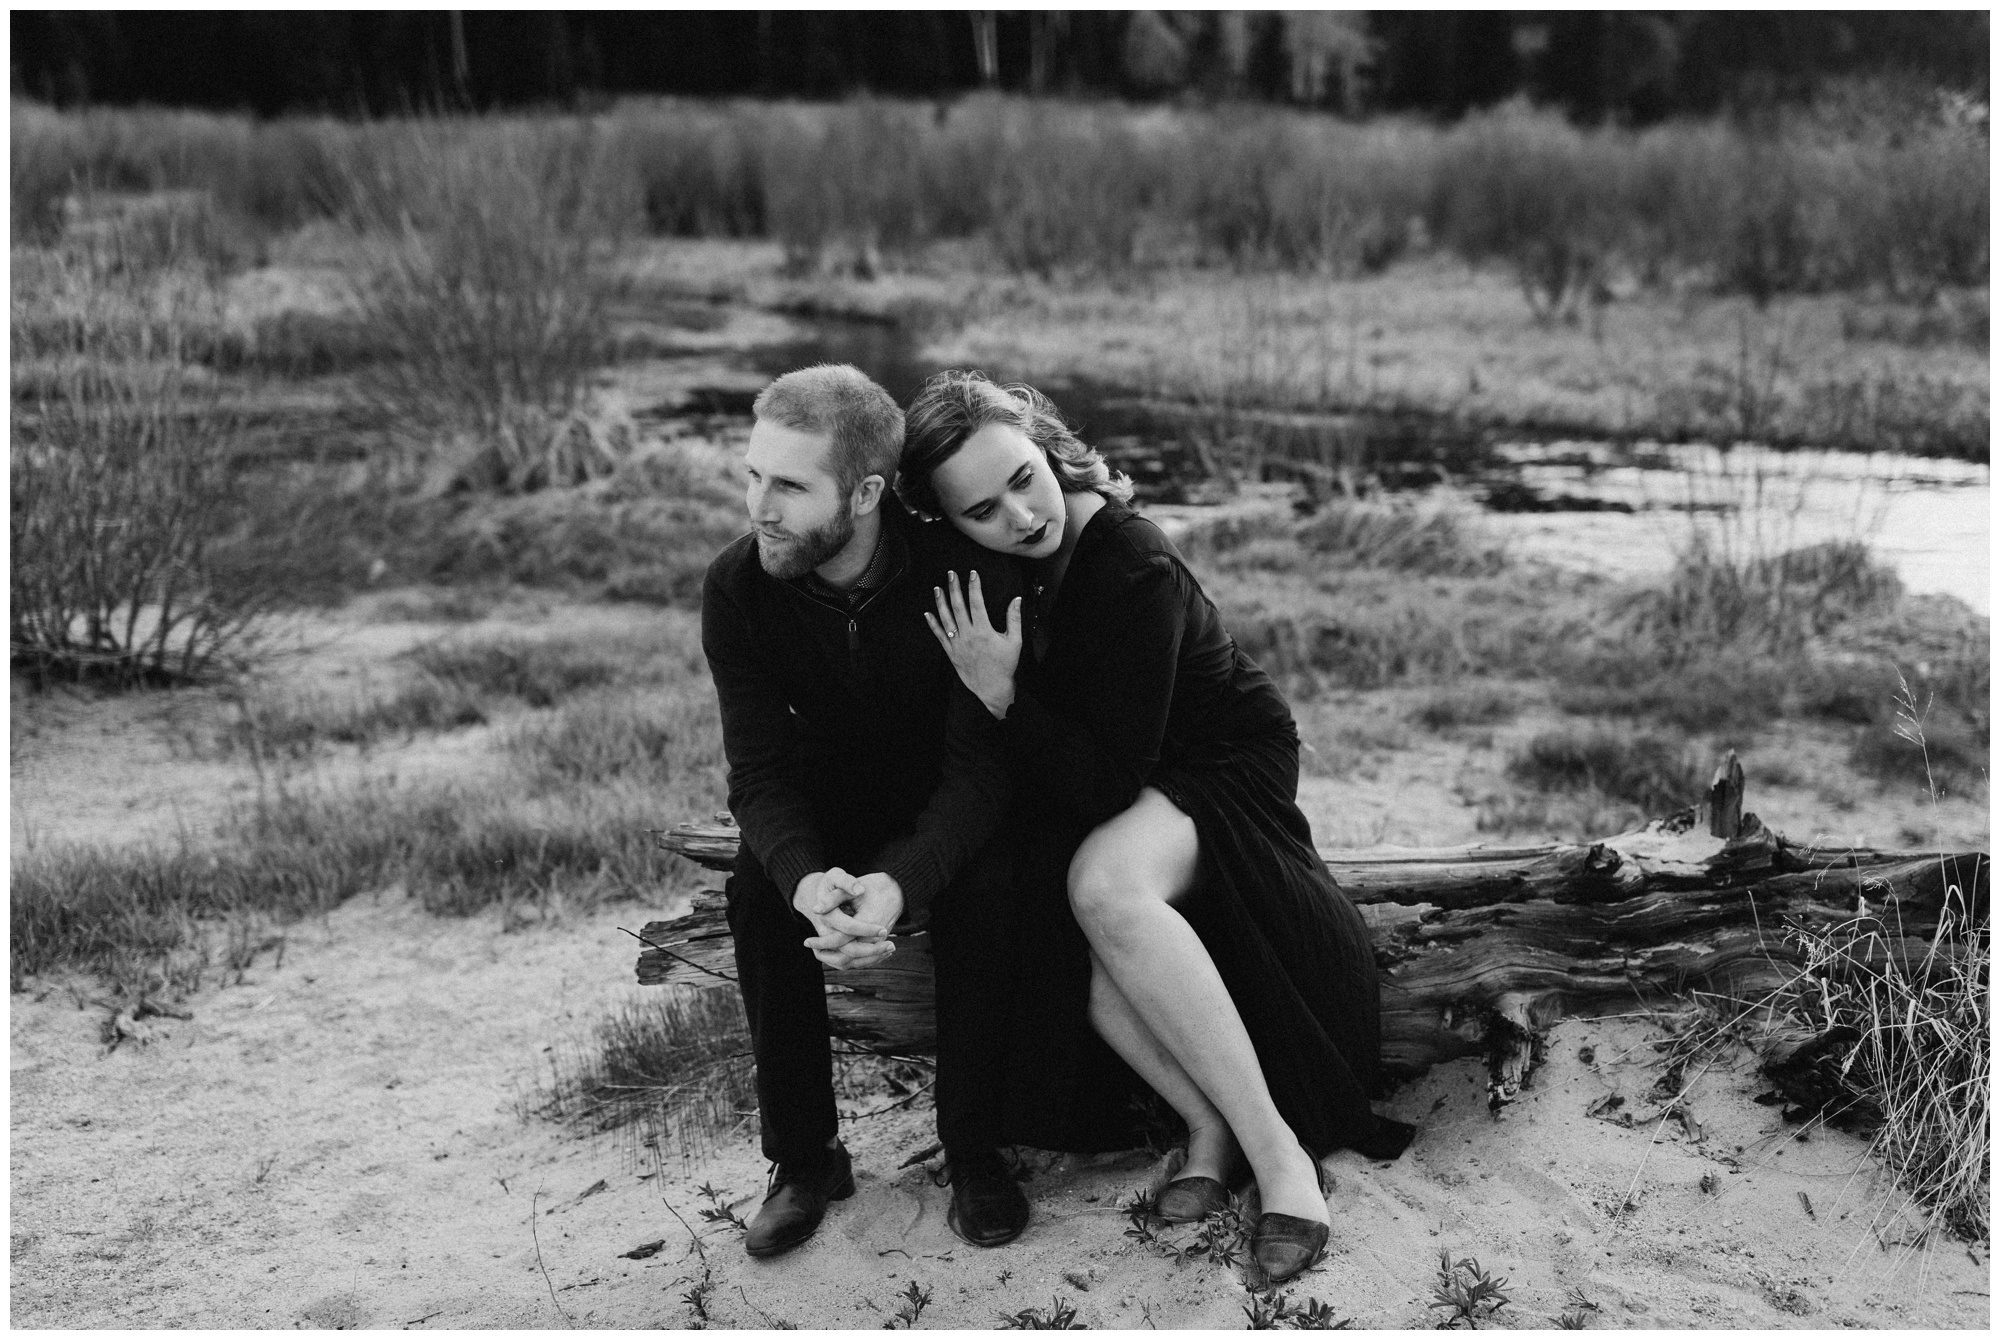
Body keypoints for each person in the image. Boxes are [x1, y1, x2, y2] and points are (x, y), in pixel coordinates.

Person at [896, 370, 1414, 1285]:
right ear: (949, 521)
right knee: (1056, 899)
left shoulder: (1131, 560)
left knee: (1104, 884)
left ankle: (1282, 1159)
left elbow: (1104, 783)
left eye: (1024, 479)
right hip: (1122, 772)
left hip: (1223, 757)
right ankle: (1208, 1124)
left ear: (1046, 446)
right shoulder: (994, 569)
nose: (1021, 516)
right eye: (982, 510)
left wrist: (1002, 691)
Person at [699, 363, 1035, 1258]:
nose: (759, 507)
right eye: (753, 475)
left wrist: (902, 885)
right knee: (757, 890)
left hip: (944, 795)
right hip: (827, 801)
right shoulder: (738, 586)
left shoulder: (963, 572)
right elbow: (759, 774)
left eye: (790, 486)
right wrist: (806, 882)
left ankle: (974, 1149)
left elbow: (981, 773)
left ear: (866, 493)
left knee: (990, 882)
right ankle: (805, 1159)